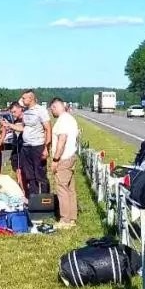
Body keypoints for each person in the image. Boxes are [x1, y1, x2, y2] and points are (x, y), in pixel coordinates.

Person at [12, 90, 52, 195]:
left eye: (24, 98)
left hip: (37, 146)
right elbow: (23, 127)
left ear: (31, 98)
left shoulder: (41, 110)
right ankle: (33, 198)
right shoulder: (26, 112)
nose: (22, 100)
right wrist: (10, 125)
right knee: (30, 175)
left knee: (40, 174)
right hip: (26, 147)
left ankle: (44, 199)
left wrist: (46, 147)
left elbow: (48, 128)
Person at [48, 97, 80, 229]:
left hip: (63, 159)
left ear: (56, 107)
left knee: (62, 189)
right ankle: (72, 218)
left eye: (52, 109)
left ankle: (64, 219)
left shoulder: (62, 120)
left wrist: (55, 159)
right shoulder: (71, 119)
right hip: (71, 157)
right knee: (71, 189)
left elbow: (62, 140)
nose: (51, 113)